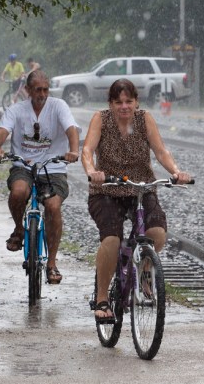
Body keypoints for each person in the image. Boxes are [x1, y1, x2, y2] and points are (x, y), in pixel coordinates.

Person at [81, 78, 192, 322]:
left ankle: (144, 270)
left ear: (136, 102)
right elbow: (87, 150)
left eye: (129, 101)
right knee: (111, 239)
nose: (124, 107)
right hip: (107, 189)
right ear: (110, 104)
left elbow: (161, 151)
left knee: (157, 233)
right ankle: (101, 298)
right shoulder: (101, 119)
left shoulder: (145, 119)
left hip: (141, 189)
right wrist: (92, 171)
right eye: (118, 102)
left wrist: (175, 171)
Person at [0, 70, 80, 285]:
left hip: (53, 167)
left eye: (45, 89)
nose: (42, 94)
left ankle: (51, 263)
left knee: (53, 206)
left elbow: (71, 129)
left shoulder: (59, 106)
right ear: (28, 90)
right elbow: (2, 130)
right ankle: (19, 229)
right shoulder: (16, 110)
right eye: (37, 89)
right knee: (19, 192)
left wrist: (74, 150)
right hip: (24, 165)